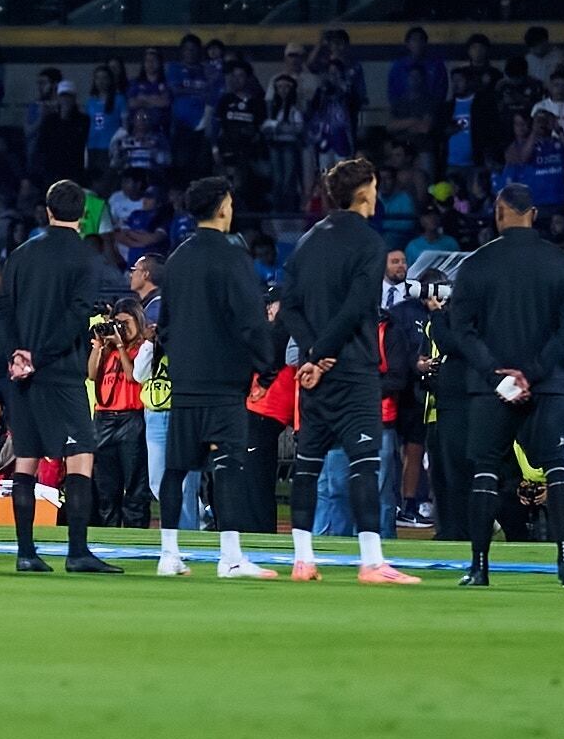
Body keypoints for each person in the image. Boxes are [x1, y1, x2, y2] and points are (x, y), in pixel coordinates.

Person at [435, 183, 564, 587]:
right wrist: (534, 372)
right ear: (533, 214)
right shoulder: (561, 263)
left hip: (490, 388)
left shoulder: (476, 265)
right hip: (547, 385)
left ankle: (479, 567)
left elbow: (460, 330)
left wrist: (495, 374)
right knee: (557, 469)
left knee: (485, 471)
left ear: (500, 212)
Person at [283, 158, 408, 582]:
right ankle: (371, 561)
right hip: (352, 369)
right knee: (364, 464)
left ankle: (303, 560)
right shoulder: (371, 244)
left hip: (314, 375)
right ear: (364, 193)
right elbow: (358, 308)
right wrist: (322, 353)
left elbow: (291, 307)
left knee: (307, 465)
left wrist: (311, 355)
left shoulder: (307, 241)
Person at [154, 175, 276, 579]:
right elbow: (251, 320)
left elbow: (165, 326)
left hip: (186, 383)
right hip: (225, 384)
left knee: (176, 468)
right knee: (229, 467)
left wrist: (183, 361)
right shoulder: (233, 257)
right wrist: (266, 364)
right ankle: (231, 557)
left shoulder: (176, 260)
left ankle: (168, 554)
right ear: (223, 207)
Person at [0, 182, 119, 573]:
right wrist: (40, 356)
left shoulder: (20, 255)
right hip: (61, 374)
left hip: (23, 377)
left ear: (46, 210)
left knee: (25, 462)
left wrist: (17, 354)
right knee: (79, 457)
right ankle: (78, 551)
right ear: (83, 215)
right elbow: (76, 315)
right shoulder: (86, 259)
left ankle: (26, 553)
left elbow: (0, 310)